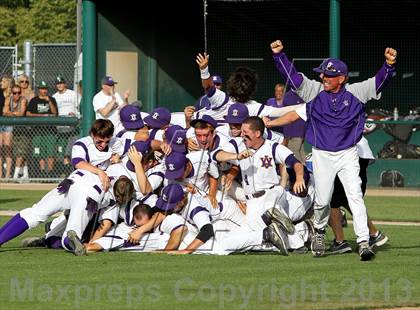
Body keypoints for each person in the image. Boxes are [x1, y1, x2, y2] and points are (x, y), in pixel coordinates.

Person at [264, 39, 397, 260]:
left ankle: (364, 241)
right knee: (323, 200)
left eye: (328, 75)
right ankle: (318, 230)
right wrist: (279, 56)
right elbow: (293, 78)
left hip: (347, 153)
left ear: (342, 78)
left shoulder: (356, 92)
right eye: (323, 74)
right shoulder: (315, 92)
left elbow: (379, 83)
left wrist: (389, 66)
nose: (323, 77)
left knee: (355, 196)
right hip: (322, 154)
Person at [328, 137, 389, 254]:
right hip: (359, 155)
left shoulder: (337, 123)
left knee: (330, 200)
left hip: (349, 155)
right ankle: (374, 234)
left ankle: (340, 242)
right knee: (349, 199)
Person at [26, 80, 58, 178]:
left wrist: (49, 101)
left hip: (50, 130)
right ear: (39, 90)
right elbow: (28, 114)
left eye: (45, 89)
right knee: (40, 153)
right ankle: (43, 172)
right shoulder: (34, 100)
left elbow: (55, 113)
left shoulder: (52, 99)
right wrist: (41, 115)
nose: (44, 91)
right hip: (38, 130)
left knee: (50, 152)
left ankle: (50, 173)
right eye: (42, 89)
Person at [53, 76, 80, 177]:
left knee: (70, 149)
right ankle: (62, 171)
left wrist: (75, 113)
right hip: (60, 128)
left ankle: (70, 171)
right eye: (58, 83)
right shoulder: (54, 96)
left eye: (61, 83)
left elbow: (80, 108)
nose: (59, 85)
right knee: (61, 151)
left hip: (72, 126)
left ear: (65, 84)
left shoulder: (72, 94)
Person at [2, 85, 29, 180]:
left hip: (22, 128)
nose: (17, 95)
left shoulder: (23, 100)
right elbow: (4, 111)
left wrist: (10, 113)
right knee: (10, 149)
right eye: (14, 93)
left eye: (18, 92)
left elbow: (21, 113)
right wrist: (14, 113)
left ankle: (16, 175)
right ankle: (24, 174)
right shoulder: (8, 99)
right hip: (11, 128)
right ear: (12, 93)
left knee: (21, 152)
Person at [0, 75, 14, 179]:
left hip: (8, 123)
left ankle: (8, 174)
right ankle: (0, 174)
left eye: (3, 81)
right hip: (1, 122)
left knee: (7, 148)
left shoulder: (12, 94)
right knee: (0, 148)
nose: (1, 83)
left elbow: (7, 111)